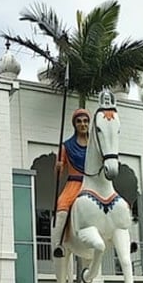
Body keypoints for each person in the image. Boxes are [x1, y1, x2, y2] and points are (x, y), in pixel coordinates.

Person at [51, 108, 90, 258]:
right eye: (79, 121)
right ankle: (58, 245)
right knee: (62, 206)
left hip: (91, 182)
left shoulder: (95, 145)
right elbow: (57, 175)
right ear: (75, 124)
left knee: (117, 201)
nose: (83, 124)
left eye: (85, 121)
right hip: (74, 183)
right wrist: (59, 167)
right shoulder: (66, 146)